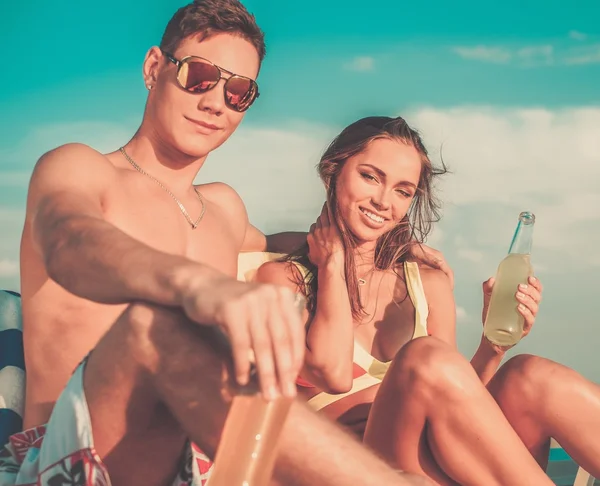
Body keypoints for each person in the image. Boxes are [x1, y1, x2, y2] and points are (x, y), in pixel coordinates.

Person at [0, 2, 449, 486]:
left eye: (238, 91)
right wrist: (195, 287)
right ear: (155, 68)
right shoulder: (80, 168)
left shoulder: (222, 210)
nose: (216, 101)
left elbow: (304, 241)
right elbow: (72, 242)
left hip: (199, 467)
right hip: (71, 456)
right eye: (199, 76)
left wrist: (393, 246)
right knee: (156, 325)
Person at [256, 115, 600, 486]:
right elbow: (331, 369)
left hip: (435, 464)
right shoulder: (285, 281)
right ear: (332, 172)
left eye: (403, 191)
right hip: (357, 470)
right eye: (370, 176)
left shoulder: (427, 284)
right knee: (424, 357)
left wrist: (494, 345)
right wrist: (332, 265)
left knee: (529, 376)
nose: (383, 200)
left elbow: (462, 405)